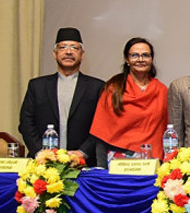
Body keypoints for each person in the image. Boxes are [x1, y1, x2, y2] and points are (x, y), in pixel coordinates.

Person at [18, 27, 105, 165]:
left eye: (74, 48)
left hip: (84, 162)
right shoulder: (37, 86)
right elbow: (26, 123)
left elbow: (102, 125)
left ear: (82, 54)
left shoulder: (97, 87)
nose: (68, 52)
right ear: (55, 53)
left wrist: (82, 152)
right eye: (63, 47)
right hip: (42, 163)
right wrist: (41, 153)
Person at [89, 37, 168, 162]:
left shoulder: (162, 91)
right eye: (135, 55)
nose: (140, 59)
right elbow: (101, 132)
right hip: (118, 160)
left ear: (151, 59)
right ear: (127, 59)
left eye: (145, 55)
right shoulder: (114, 89)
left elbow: (167, 130)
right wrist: (101, 167)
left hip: (152, 159)